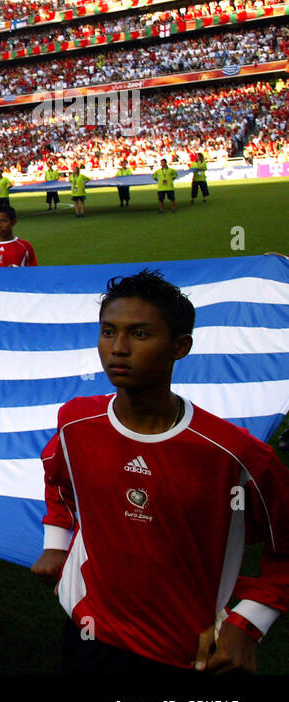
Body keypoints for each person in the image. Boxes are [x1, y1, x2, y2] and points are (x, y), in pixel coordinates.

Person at [31, 270, 289, 672]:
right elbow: (58, 480)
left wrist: (249, 623)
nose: (117, 348)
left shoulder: (234, 454)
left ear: (180, 346)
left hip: (185, 652)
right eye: (107, 331)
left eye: (139, 334)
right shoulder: (76, 421)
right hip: (87, 631)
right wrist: (56, 540)